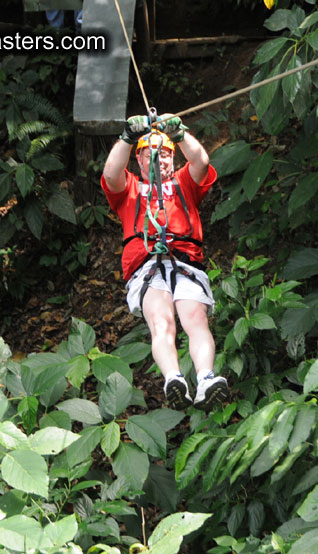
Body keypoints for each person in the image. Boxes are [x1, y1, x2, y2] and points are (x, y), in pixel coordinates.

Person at [101, 113, 229, 411]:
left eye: (166, 155)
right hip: (147, 267)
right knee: (162, 322)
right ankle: (174, 378)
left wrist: (180, 134)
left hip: (185, 263)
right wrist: (126, 137)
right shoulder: (130, 189)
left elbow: (200, 161)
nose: (160, 160)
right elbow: (110, 174)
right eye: (150, 155)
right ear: (140, 161)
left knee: (195, 319)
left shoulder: (184, 184)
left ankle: (206, 377)